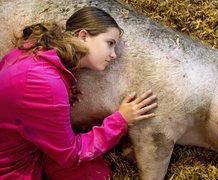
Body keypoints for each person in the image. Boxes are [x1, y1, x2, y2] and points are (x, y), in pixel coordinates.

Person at [0, 6, 157, 179]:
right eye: (110, 43)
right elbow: (71, 155)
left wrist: (60, 97)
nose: (114, 55)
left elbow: (23, 105)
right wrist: (120, 120)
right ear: (83, 36)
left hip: (28, 147)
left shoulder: (36, 49)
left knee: (96, 171)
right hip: (10, 167)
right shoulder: (45, 83)